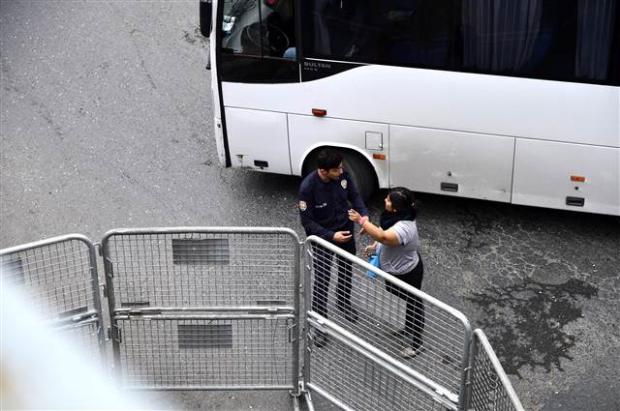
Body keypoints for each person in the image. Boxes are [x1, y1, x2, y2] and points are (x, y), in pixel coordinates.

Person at [298, 149, 369, 346]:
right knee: (322, 280)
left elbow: (355, 197)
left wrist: (363, 218)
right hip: (324, 238)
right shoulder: (308, 188)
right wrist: (331, 236)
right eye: (336, 170)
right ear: (323, 170)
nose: (342, 171)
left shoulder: (342, 175)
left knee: (346, 270)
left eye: (340, 168)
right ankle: (320, 324)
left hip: (345, 232)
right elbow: (307, 222)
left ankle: (343, 302)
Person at [348, 187, 425, 358]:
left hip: (407, 272)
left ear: (397, 208)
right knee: (400, 295)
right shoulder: (397, 216)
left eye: (389, 200)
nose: (385, 201)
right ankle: (409, 327)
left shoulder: (405, 227)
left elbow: (385, 237)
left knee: (414, 302)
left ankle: (417, 343)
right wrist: (376, 246)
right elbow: (383, 236)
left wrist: (362, 221)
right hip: (394, 270)